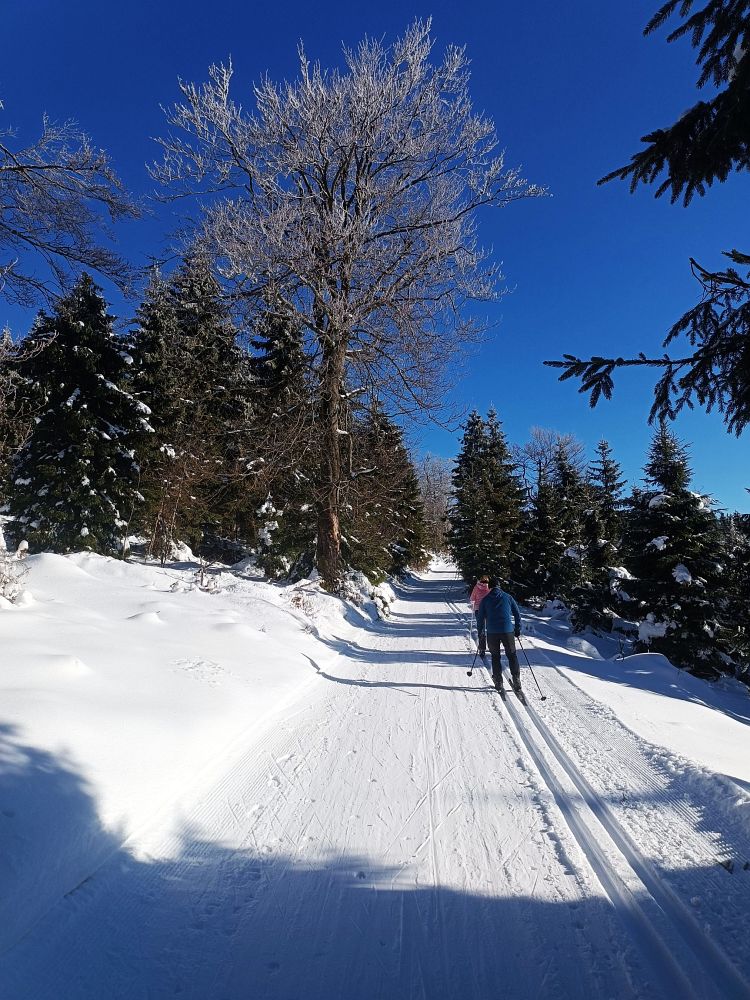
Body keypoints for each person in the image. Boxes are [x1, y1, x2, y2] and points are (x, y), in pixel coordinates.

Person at [476, 577, 523, 694]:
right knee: (512, 655)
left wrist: (480, 632)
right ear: (499, 586)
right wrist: (517, 628)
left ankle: (498, 681)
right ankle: (516, 680)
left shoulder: (485, 599)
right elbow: (517, 614)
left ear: (489, 587)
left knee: (495, 656)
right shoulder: (508, 597)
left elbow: (480, 618)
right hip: (507, 631)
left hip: (492, 632)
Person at [469, 575, 490, 656]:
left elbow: (472, 598)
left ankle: (482, 648)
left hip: (478, 610)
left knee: (481, 628)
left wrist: (473, 603)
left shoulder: (476, 587)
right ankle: (492, 645)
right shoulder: (489, 588)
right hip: (488, 610)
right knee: (490, 627)